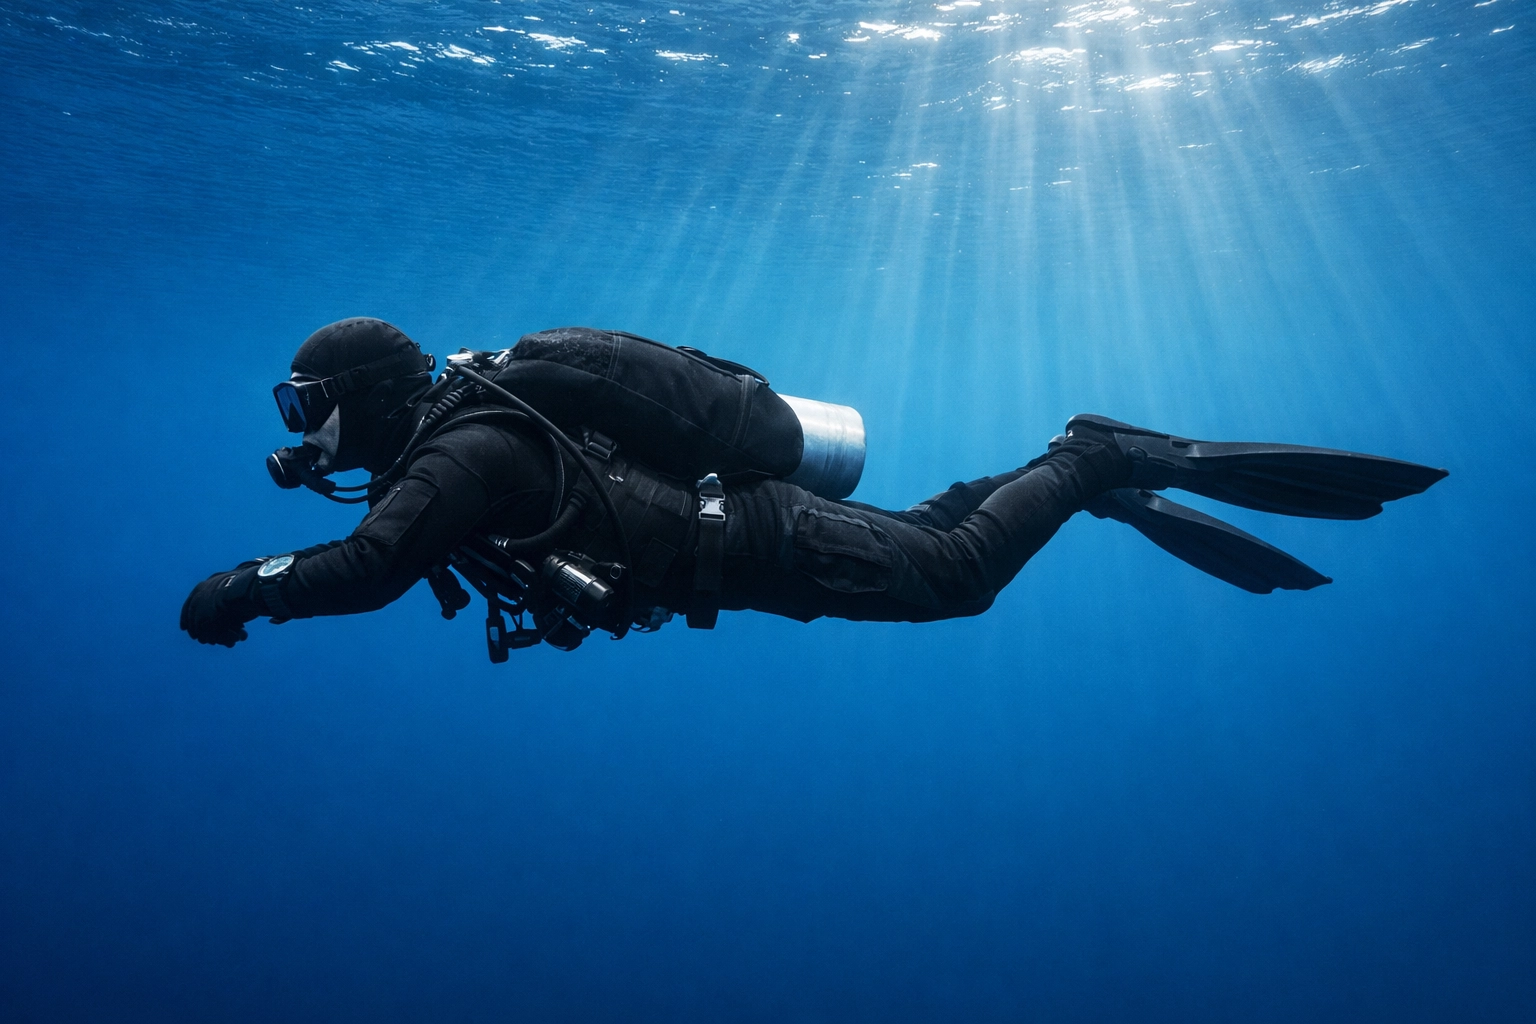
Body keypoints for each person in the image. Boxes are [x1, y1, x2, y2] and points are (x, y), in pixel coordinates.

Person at [181, 318, 1446, 656]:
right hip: (751, 540)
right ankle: (1076, 470)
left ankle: (1093, 459)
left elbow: (365, 571)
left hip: (758, 541)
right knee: (933, 535)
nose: (306, 432)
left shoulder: (461, 452)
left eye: (311, 405)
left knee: (955, 580)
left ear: (374, 395)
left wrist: (243, 587)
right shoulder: (459, 434)